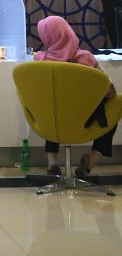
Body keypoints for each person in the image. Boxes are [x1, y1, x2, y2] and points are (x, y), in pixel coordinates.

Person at [35, 15, 117, 178]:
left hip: (53, 121)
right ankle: (91, 160)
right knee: (112, 113)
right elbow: (110, 92)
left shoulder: (40, 61)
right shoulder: (85, 58)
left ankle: (52, 163)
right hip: (86, 119)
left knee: (52, 105)